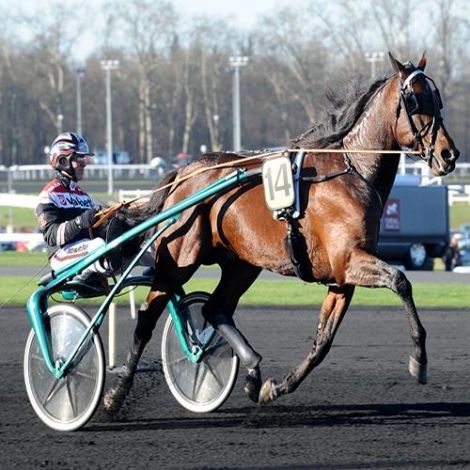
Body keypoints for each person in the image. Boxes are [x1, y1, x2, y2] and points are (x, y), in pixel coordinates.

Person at [35, 132, 154, 284]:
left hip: (91, 255)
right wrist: (80, 222)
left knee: (143, 246)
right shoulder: (49, 195)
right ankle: (106, 264)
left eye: (84, 159)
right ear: (63, 160)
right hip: (63, 257)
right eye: (79, 158)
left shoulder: (83, 196)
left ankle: (163, 270)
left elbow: (98, 227)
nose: (84, 163)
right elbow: (51, 236)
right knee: (97, 245)